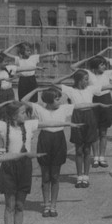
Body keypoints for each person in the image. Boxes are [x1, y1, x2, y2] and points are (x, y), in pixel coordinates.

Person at [20, 86, 87, 217]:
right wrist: (36, 90)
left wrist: (99, 104)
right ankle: (46, 205)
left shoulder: (64, 108)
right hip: (45, 140)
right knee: (45, 176)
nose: (60, 101)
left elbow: (82, 105)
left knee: (55, 176)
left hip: (58, 140)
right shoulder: (39, 109)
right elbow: (23, 100)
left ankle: (53, 205)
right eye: (57, 99)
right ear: (49, 100)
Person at [70, 54, 112, 168]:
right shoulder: (88, 73)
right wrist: (88, 58)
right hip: (93, 101)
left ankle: (102, 157)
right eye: (102, 65)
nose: (104, 67)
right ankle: (96, 157)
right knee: (94, 131)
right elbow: (73, 66)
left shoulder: (108, 73)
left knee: (103, 132)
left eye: (104, 64)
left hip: (106, 100)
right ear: (95, 66)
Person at [52, 69, 105, 189]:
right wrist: (70, 75)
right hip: (77, 116)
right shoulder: (70, 90)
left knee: (87, 149)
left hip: (89, 116)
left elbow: (107, 86)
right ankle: (79, 176)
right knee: (79, 149)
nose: (87, 81)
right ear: (79, 80)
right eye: (85, 79)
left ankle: (86, 176)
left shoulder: (90, 89)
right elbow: (54, 83)